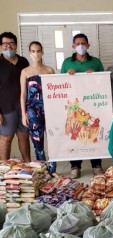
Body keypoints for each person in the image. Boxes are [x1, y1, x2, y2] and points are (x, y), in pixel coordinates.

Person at [61, 33, 105, 179]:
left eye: (83, 43)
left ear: (88, 45)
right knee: (75, 133)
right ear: (73, 46)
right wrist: (67, 74)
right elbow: (61, 83)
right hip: (74, 105)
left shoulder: (96, 62)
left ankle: (96, 165)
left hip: (92, 103)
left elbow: (103, 83)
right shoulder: (67, 62)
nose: (81, 46)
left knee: (93, 133)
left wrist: (95, 76)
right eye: (78, 43)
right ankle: (75, 166)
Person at [20, 41, 59, 176]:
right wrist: (24, 115)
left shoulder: (49, 70)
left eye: (38, 51)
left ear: (42, 52)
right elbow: (23, 94)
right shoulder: (25, 71)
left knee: (53, 138)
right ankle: (42, 170)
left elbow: (56, 92)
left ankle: (53, 169)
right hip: (32, 110)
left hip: (50, 108)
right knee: (37, 140)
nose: (36, 54)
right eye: (33, 51)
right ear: (29, 52)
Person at [0, 31, 31, 162]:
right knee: (6, 138)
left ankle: (29, 166)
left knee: (24, 136)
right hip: (6, 108)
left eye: (12, 43)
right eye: (5, 44)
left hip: (23, 108)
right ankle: (3, 170)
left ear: (16, 45)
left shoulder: (24, 61)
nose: (9, 47)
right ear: (1, 46)